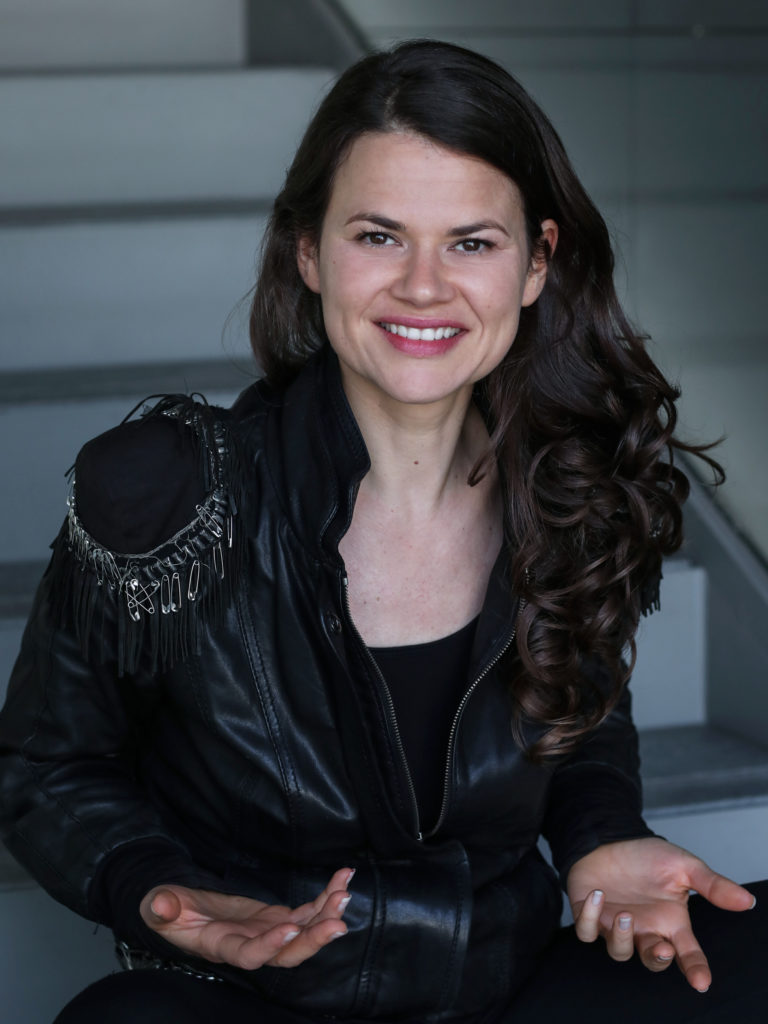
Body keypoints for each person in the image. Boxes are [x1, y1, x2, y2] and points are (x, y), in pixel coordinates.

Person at [0, 39, 765, 1024]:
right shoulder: (169, 494)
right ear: (309, 252)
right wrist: (157, 889)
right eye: (379, 236)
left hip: (504, 980)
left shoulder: (570, 489)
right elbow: (49, 766)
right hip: (259, 994)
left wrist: (603, 834)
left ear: (536, 263)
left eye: (471, 243)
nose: (423, 286)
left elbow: (578, 715)